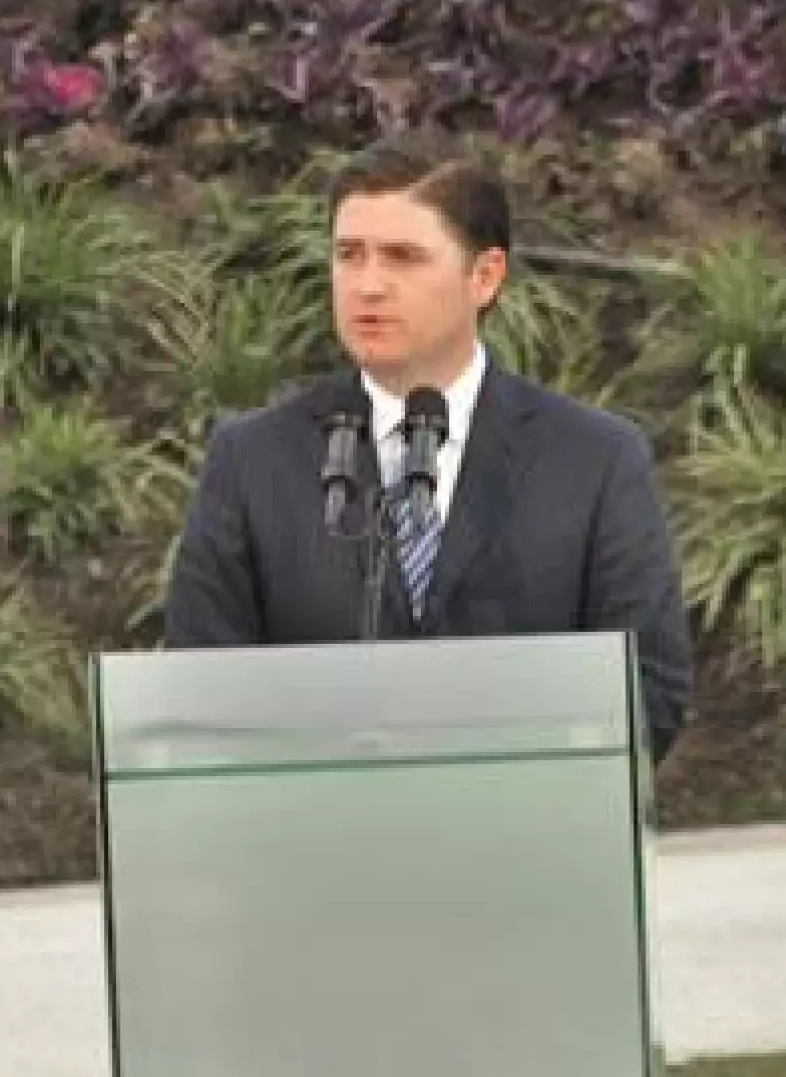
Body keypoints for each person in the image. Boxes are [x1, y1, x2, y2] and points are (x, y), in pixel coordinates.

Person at [161, 137, 693, 766]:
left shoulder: (594, 461)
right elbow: (203, 690)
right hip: (315, 844)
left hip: (520, 843)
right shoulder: (252, 461)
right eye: (349, 255)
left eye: (403, 258)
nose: (369, 286)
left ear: (484, 277)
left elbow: (647, 691)